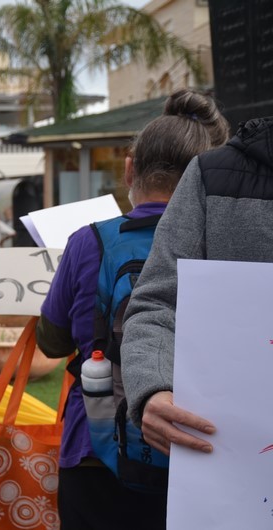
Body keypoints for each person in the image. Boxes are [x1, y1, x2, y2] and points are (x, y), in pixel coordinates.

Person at [34, 89, 230, 530]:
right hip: (195, 441)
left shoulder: (90, 241)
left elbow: (52, 341)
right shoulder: (218, 243)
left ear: (129, 168)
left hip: (94, 450)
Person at [121, 114, 273, 460]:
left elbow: (53, 334)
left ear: (131, 170)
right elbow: (158, 304)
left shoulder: (88, 241)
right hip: (226, 460)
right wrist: (152, 386)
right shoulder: (212, 176)